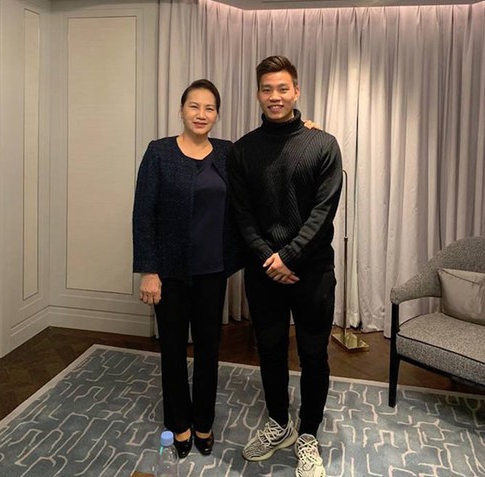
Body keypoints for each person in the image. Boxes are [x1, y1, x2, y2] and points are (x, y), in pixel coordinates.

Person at [228, 56, 343, 477]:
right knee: (271, 350)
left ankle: (308, 433)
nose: (274, 96)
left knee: (313, 354)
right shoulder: (243, 149)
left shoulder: (323, 144)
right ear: (258, 94)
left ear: (296, 91)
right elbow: (241, 214)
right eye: (266, 89)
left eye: (282, 88)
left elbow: (323, 212)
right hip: (264, 271)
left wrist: (289, 256)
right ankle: (279, 423)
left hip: (312, 271)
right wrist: (268, 258)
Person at [132, 79, 243, 459]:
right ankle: (179, 422)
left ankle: (203, 422)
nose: (201, 114)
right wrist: (148, 270)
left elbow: (264, 157)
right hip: (171, 273)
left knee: (209, 350)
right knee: (173, 350)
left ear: (217, 115)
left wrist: (303, 124)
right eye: (194, 106)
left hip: (213, 271)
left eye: (209, 108)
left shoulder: (227, 153)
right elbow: (143, 214)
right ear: (181, 110)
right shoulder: (159, 152)